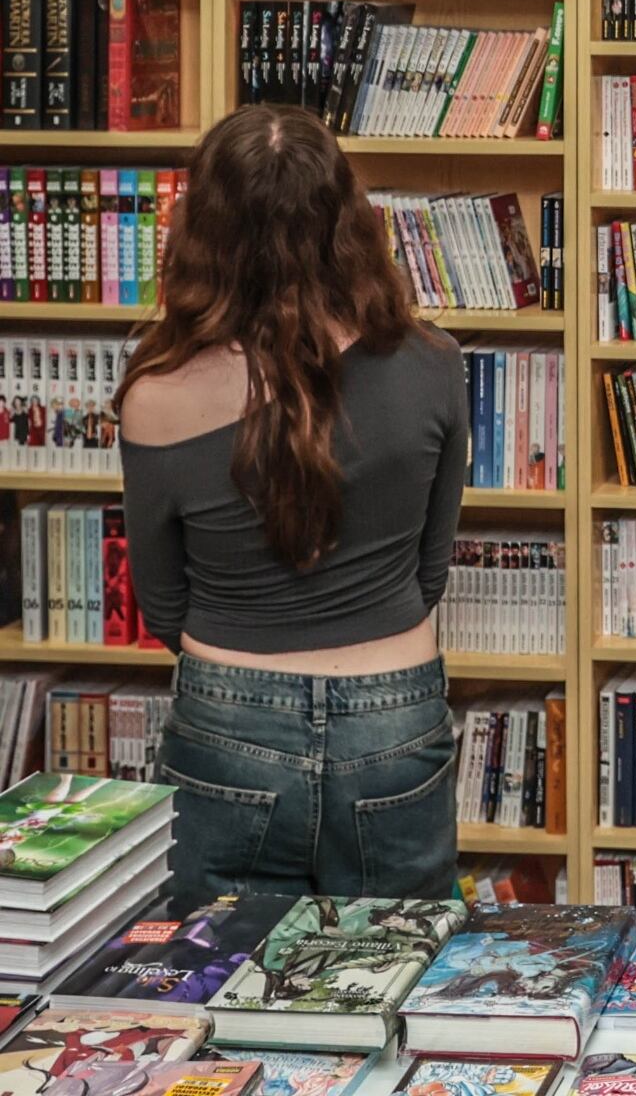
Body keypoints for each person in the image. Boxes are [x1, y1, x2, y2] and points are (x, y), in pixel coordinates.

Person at [116, 104, 467, 908]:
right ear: (349, 218)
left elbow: (165, 605)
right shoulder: (434, 365)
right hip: (394, 709)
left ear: (200, 231)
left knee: (217, 996)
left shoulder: (155, 396)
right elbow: (430, 568)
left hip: (226, 717)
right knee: (405, 983)